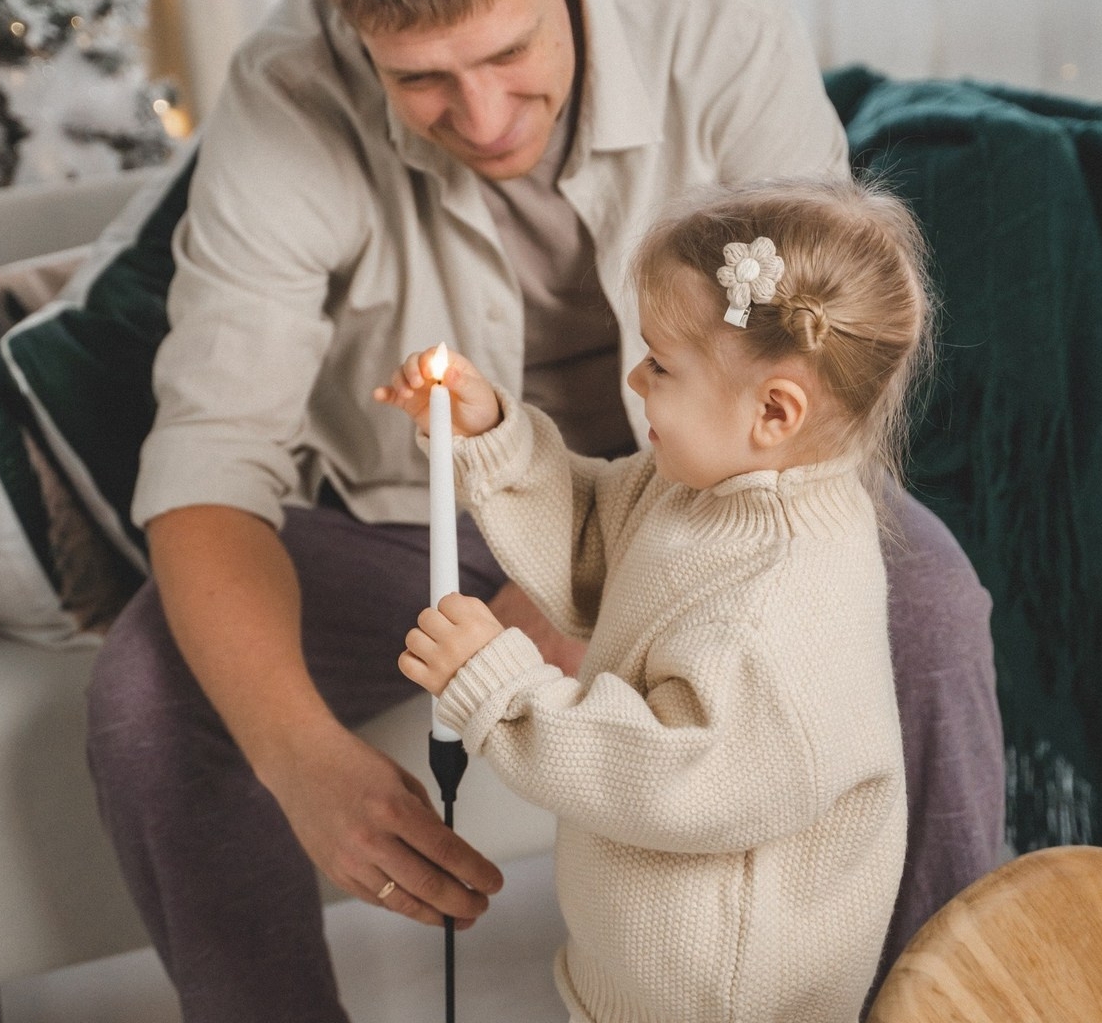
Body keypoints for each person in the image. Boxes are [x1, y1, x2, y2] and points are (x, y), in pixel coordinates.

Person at [85, 0, 1003, 1022]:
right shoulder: (282, 98)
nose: (481, 119)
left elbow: (823, 376)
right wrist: (304, 766)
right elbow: (208, 463)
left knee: (928, 599)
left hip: (700, 510)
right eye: (420, 79)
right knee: (148, 685)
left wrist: (562, 605)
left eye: (509, 53)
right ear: (352, 35)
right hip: (394, 523)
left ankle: (958, 1005)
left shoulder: (715, 17)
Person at [376, 175, 931, 1022]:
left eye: (662, 363)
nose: (635, 379)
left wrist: (502, 691)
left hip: (724, 1000)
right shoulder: (705, 486)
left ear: (774, 412)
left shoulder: (782, 603)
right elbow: (597, 541)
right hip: (636, 976)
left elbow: (682, 775)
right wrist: (489, 434)